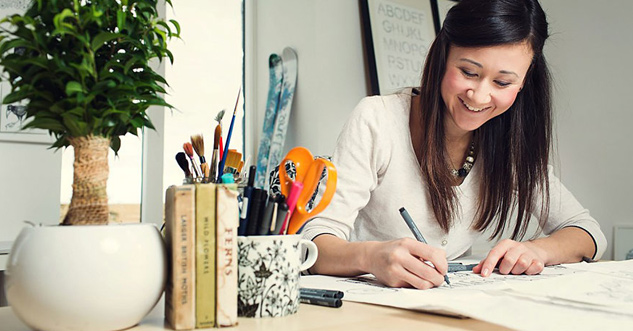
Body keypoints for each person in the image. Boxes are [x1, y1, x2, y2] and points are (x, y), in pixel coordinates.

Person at [301, 0, 606, 290]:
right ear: (443, 56)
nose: (479, 96)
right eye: (469, 72)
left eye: (502, 83)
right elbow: (314, 240)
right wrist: (370, 257)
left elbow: (588, 232)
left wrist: (538, 251)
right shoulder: (378, 120)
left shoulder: (509, 142)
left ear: (524, 82)